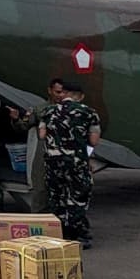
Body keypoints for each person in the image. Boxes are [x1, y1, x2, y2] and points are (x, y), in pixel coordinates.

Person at [39, 81, 102, 248]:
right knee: (77, 198)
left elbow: (42, 134)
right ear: (80, 96)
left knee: (56, 198)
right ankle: (79, 235)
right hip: (77, 162)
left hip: (53, 163)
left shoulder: (48, 111)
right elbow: (94, 141)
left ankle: (59, 234)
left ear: (64, 93)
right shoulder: (89, 113)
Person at [9, 78, 66, 212]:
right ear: (50, 91)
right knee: (39, 188)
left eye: (63, 92)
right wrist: (16, 118)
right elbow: (23, 127)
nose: (60, 95)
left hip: (64, 153)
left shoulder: (70, 109)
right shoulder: (40, 109)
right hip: (44, 153)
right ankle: (39, 219)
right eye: (57, 92)